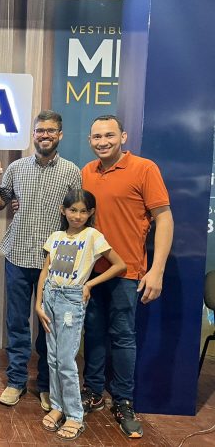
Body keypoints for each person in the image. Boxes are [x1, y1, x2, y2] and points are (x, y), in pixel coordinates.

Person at [80, 115, 174, 438]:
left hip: (127, 272)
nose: (102, 142)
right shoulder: (87, 172)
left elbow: (164, 219)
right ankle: (93, 392)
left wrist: (157, 270)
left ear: (123, 137)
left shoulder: (144, 169)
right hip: (92, 273)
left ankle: (122, 401)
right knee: (93, 334)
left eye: (109, 135)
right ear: (89, 141)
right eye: (96, 137)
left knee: (122, 337)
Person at [0, 110, 81, 410]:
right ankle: (16, 381)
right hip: (18, 255)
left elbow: (77, 215)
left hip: (53, 263)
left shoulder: (72, 172)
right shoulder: (16, 168)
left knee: (48, 326)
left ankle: (45, 385)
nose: (45, 135)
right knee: (16, 323)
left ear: (60, 135)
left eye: (51, 131)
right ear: (34, 135)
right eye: (40, 130)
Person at [36, 189, 126, 441]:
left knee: (66, 360)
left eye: (83, 211)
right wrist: (38, 303)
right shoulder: (55, 237)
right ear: (63, 210)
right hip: (50, 296)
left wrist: (89, 284)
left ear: (91, 212)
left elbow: (120, 265)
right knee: (52, 358)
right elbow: (45, 271)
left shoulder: (93, 236)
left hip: (71, 300)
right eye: (73, 210)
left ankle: (75, 415)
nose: (77, 215)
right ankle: (57, 406)